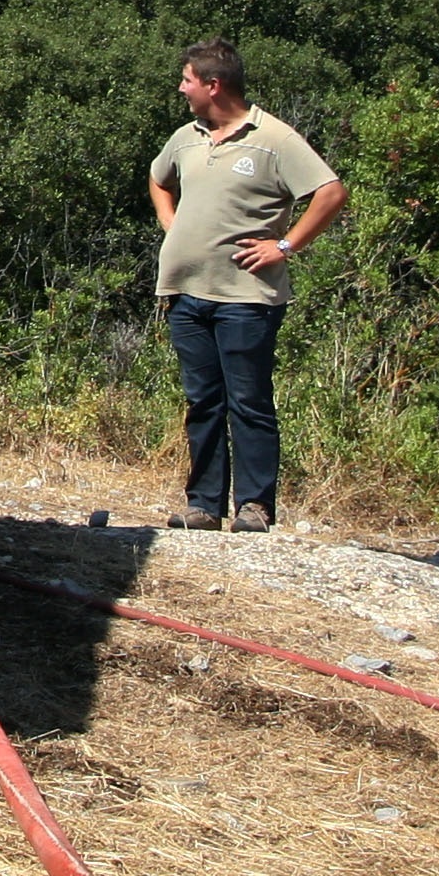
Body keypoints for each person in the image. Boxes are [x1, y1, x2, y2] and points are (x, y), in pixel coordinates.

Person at [148, 41, 342, 531]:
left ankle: (254, 506)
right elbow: (158, 178)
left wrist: (285, 246)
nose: (181, 88)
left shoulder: (272, 138)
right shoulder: (187, 137)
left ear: (213, 85)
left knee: (248, 401)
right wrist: (171, 222)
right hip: (186, 292)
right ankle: (203, 505)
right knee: (203, 401)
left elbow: (330, 192)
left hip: (246, 297)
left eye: (187, 80)